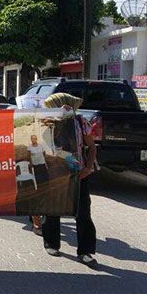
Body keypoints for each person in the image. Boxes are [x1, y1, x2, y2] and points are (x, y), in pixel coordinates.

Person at [42, 93, 98, 267]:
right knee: (52, 209)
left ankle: (85, 251)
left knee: (83, 213)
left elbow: (91, 146)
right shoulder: (49, 123)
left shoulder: (81, 123)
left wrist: (88, 167)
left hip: (79, 174)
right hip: (57, 172)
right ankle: (51, 244)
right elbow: (44, 143)